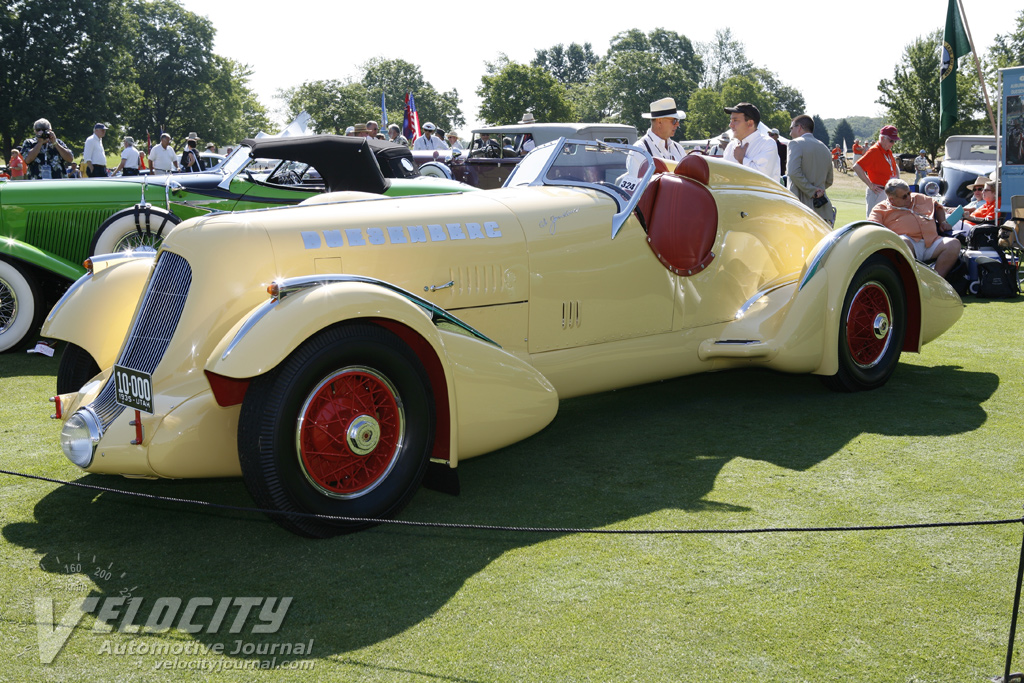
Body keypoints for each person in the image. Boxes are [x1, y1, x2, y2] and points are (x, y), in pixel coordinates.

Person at [869, 179, 960, 277]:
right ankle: (913, 281)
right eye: (904, 196)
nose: (909, 197)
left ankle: (937, 281)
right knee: (903, 241)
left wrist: (943, 222)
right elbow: (873, 229)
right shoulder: (880, 209)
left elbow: (938, 207)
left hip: (932, 241)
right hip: (908, 244)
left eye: (909, 193)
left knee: (953, 244)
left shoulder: (919, 198)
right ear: (892, 199)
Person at [786, 115, 834, 224]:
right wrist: (818, 190)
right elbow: (829, 180)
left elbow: (793, 172)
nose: (790, 133)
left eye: (791, 128)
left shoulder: (795, 143)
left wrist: (812, 191)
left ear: (799, 127)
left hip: (800, 207)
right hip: (822, 209)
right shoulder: (825, 147)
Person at [722, 102, 780, 181]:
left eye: (735, 120)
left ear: (750, 123)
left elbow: (762, 178)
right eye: (731, 120)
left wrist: (742, 159)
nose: (730, 125)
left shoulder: (768, 144)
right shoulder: (731, 145)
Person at [853, 125, 901, 216]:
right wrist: (870, 185)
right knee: (874, 222)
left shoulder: (888, 151)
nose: (893, 143)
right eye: (891, 140)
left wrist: (897, 180)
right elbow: (856, 167)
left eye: (894, 141)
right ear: (882, 138)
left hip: (889, 192)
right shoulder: (874, 151)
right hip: (878, 192)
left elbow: (895, 167)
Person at [634, 97, 687, 162]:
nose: (677, 124)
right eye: (674, 120)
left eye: (678, 120)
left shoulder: (679, 148)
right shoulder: (639, 150)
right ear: (659, 122)